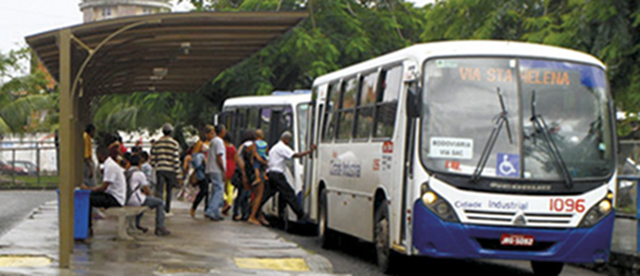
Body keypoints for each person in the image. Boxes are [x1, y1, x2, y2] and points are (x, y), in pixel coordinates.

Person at [257, 131, 315, 224]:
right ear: (286, 140)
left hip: (271, 173)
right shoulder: (282, 147)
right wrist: (309, 151)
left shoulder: (275, 147)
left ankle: (252, 210)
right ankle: (301, 215)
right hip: (277, 175)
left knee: (266, 195)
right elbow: (295, 155)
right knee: (289, 194)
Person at [81, 145, 127, 234]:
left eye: (97, 155)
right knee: (89, 196)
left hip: (115, 199)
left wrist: (88, 188)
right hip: (112, 195)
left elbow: (103, 188)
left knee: (88, 199)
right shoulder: (109, 164)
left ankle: (88, 227)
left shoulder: (110, 166)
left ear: (101, 155)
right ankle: (87, 226)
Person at [125, 154, 171, 236]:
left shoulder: (126, 172)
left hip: (126, 199)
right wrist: (151, 197)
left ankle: (137, 224)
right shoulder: (139, 174)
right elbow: (147, 190)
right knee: (159, 202)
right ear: (139, 164)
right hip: (135, 200)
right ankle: (160, 227)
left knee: (144, 200)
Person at [151, 123, 181, 215]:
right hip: (170, 170)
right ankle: (167, 209)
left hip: (160, 169)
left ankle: (159, 208)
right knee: (169, 190)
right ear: (171, 132)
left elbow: (153, 158)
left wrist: (155, 165)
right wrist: (177, 172)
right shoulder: (174, 143)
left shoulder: (157, 143)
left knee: (159, 190)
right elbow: (176, 159)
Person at [186, 125, 214, 217]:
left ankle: (207, 209)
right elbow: (195, 156)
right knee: (204, 189)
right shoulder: (200, 143)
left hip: (209, 168)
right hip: (202, 170)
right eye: (211, 133)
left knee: (207, 191)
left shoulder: (213, 143)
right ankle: (194, 207)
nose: (213, 135)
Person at [204, 125, 227, 221]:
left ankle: (216, 213)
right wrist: (223, 169)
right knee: (219, 190)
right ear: (221, 131)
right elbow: (219, 156)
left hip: (211, 168)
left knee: (215, 190)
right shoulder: (219, 141)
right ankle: (210, 210)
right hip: (217, 169)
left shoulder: (213, 141)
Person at [233, 130, 255, 221]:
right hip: (244, 172)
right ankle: (240, 213)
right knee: (244, 194)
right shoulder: (248, 145)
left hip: (240, 172)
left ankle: (240, 213)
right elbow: (241, 161)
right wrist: (244, 174)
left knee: (242, 194)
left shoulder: (241, 146)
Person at [222, 133, 239, 216]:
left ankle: (225, 201)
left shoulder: (223, 147)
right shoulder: (233, 148)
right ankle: (229, 202)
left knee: (222, 186)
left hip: (224, 166)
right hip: (231, 166)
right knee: (230, 187)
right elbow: (236, 159)